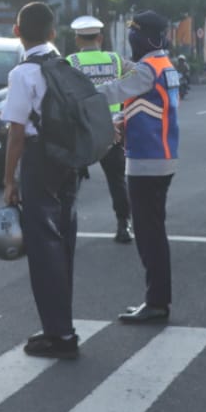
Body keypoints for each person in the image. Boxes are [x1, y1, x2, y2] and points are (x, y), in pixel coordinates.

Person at [1, 1, 82, 359]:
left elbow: (16, 134)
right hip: (68, 160)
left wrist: (9, 180)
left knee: (43, 248)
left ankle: (59, 334)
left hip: (40, 161)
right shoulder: (63, 64)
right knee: (63, 245)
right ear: (53, 32)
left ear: (17, 31)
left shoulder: (23, 73)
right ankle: (62, 327)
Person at [94, 11, 180, 323]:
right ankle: (157, 299)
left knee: (149, 236)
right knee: (152, 232)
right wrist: (122, 120)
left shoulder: (147, 69)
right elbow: (150, 108)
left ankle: (157, 302)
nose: (132, 41)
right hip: (160, 156)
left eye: (135, 35)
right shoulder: (164, 65)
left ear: (145, 38)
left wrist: (78, 93)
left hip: (148, 160)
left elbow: (112, 92)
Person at [65, 15, 132, 244]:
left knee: (71, 182)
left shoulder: (71, 62)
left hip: (82, 131)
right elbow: (135, 81)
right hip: (110, 130)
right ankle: (124, 225)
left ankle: (66, 227)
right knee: (116, 180)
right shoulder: (115, 60)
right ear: (101, 38)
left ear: (77, 39)